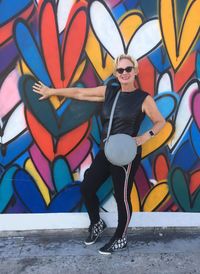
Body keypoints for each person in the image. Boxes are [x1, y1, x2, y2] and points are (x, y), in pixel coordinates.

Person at [33, 54, 166, 255]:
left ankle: (121, 237)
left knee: (122, 197)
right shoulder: (109, 92)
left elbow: (160, 122)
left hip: (127, 153)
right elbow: (80, 93)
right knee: (87, 187)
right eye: (120, 70)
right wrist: (52, 91)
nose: (124, 73)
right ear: (115, 73)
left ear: (135, 71)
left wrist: (143, 138)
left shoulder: (143, 98)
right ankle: (96, 223)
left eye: (128, 69)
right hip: (107, 150)